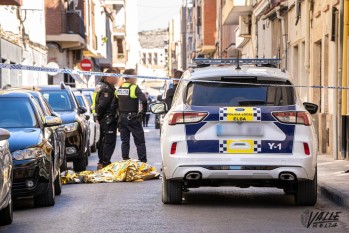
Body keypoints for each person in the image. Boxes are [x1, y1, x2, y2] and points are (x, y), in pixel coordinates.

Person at [116, 69, 148, 163]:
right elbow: (144, 100)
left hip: (122, 118)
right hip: (133, 118)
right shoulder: (134, 87)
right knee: (140, 142)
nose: (136, 78)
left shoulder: (120, 88)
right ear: (132, 77)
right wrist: (143, 113)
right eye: (135, 76)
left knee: (125, 142)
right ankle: (142, 162)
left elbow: (115, 102)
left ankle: (125, 160)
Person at [94, 69, 119, 170]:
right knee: (108, 142)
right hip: (107, 119)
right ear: (109, 77)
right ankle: (105, 163)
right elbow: (102, 105)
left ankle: (102, 162)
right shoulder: (107, 89)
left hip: (104, 119)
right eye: (115, 76)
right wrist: (100, 117)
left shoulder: (102, 86)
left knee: (103, 141)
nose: (117, 79)